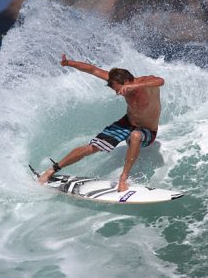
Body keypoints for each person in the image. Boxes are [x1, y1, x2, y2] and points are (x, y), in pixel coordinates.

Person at [38, 54, 164, 192]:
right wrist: (69, 63)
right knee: (91, 148)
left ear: (127, 81)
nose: (118, 94)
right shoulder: (117, 81)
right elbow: (93, 70)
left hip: (147, 130)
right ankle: (52, 170)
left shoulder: (147, 84)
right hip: (127, 123)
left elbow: (160, 81)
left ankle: (123, 178)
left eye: (118, 90)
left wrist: (135, 85)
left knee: (135, 136)